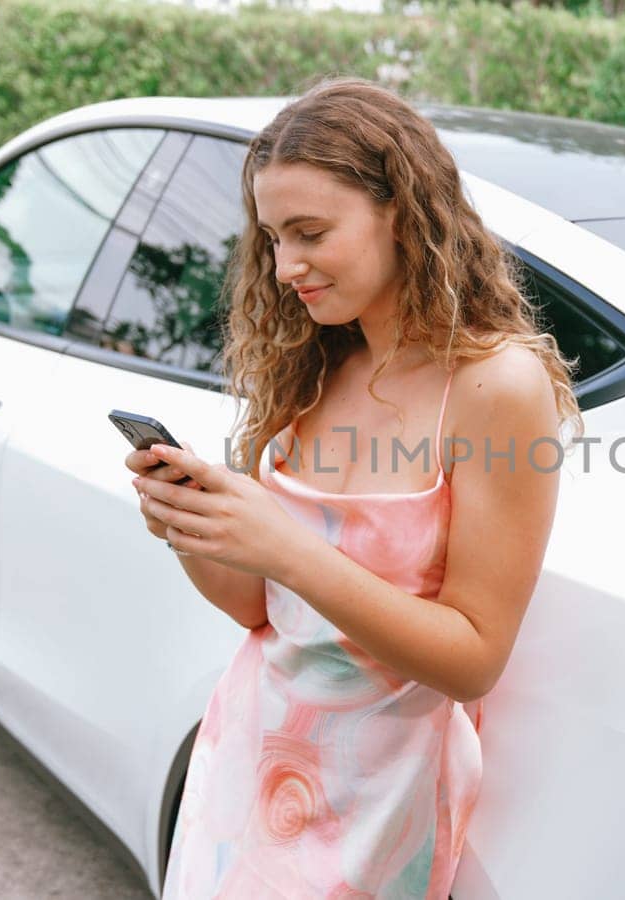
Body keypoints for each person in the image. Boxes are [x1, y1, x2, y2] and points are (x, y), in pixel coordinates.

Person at [124, 76, 583, 899]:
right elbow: (263, 611)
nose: (284, 266)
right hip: (245, 761)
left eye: (310, 232)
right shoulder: (314, 364)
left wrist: (286, 549)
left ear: (403, 212)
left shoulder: (492, 387)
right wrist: (187, 523)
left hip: (374, 807)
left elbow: (474, 658)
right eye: (271, 237)